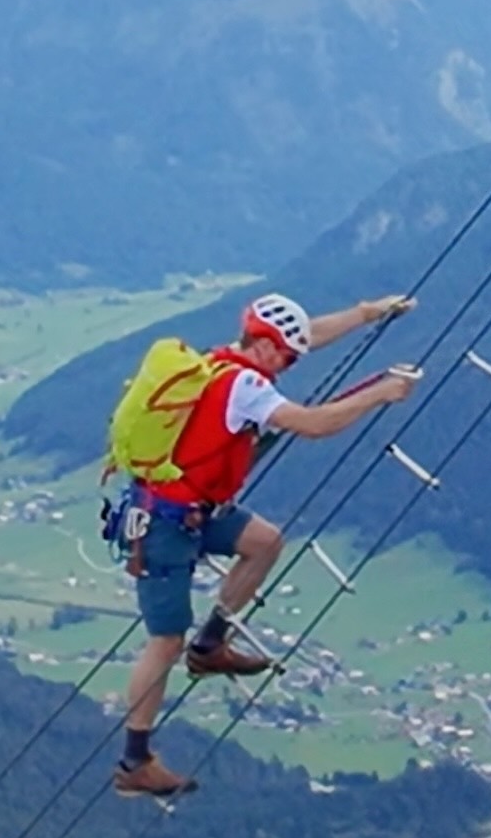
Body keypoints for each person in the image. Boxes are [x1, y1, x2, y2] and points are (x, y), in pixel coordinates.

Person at [114, 289, 415, 798]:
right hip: (164, 527)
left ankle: (210, 645)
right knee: (163, 640)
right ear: (266, 345)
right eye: (287, 355)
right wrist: (379, 393)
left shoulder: (220, 361)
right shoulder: (247, 385)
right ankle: (134, 761)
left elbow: (308, 334)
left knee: (265, 542)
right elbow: (314, 425)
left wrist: (367, 313)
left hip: (185, 511)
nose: (292, 363)